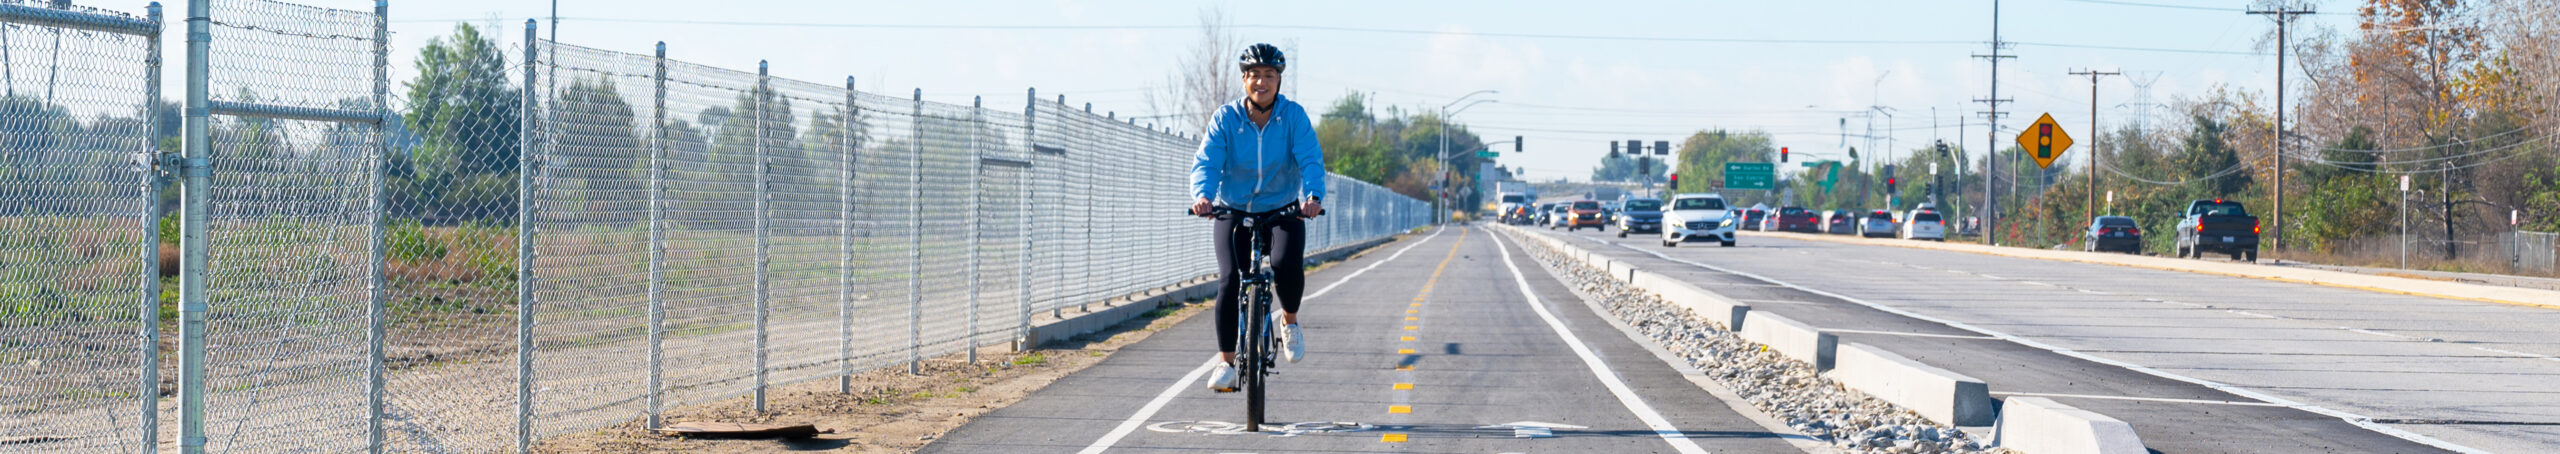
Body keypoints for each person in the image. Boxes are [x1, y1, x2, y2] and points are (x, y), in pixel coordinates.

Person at [1189, 43, 1325, 392]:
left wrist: (1313, 197)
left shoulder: (1293, 117)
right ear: (1244, 80)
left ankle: (1290, 323)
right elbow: (1208, 161)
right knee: (1228, 279)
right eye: (1254, 76)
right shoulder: (1225, 118)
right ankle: (1226, 364)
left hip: (1282, 209)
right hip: (1233, 209)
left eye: (1269, 76)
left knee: (1285, 264)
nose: (1261, 83)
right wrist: (1203, 196)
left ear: (1279, 80)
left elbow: (1310, 159)